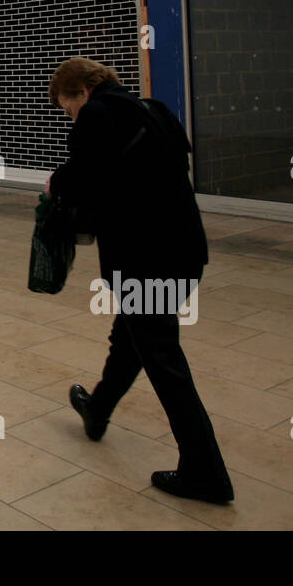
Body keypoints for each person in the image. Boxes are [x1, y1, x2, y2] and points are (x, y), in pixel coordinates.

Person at [46, 57, 233, 505]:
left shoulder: (97, 115)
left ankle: (205, 473)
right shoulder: (155, 109)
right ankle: (98, 409)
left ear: (81, 93)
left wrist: (56, 183)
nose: (71, 117)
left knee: (164, 360)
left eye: (66, 109)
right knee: (132, 337)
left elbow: (83, 177)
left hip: (146, 259)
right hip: (185, 251)